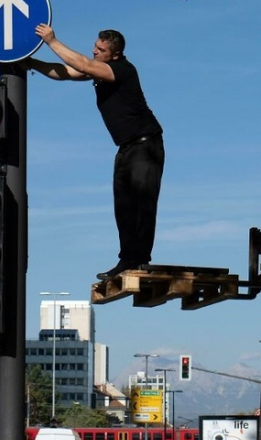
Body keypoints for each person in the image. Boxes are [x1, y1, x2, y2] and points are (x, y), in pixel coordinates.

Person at [23, 25, 164, 278]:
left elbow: (84, 64)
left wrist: (52, 41)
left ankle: (139, 259)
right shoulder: (101, 71)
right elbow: (65, 71)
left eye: (101, 50)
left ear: (116, 54)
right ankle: (127, 259)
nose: (95, 52)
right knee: (122, 206)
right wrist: (31, 62)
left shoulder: (122, 70)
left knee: (141, 204)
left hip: (146, 144)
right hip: (125, 147)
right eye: (95, 47)